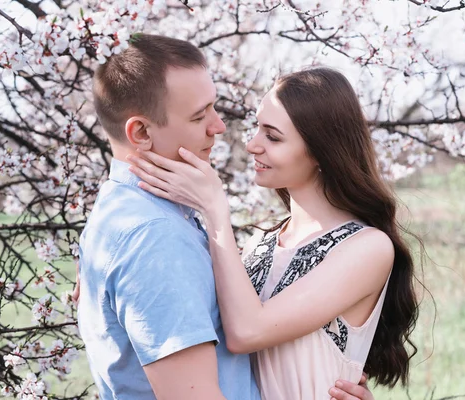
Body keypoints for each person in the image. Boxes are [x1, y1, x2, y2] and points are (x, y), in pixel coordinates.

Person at [76, 34, 374, 400]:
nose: (220, 128)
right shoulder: (154, 237)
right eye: (200, 115)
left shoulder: (138, 222)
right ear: (140, 132)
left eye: (273, 136)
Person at [127, 67, 419, 399]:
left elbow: (246, 332)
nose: (252, 145)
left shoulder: (367, 249)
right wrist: (122, 263)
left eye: (273, 136)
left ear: (321, 151)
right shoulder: (260, 244)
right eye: (257, 130)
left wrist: (215, 209)